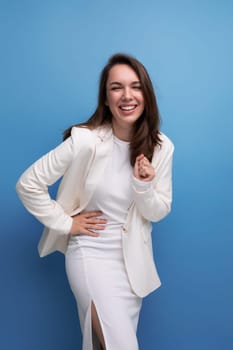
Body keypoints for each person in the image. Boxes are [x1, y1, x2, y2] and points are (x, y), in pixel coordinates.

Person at [16, 53, 174, 350]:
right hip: (90, 255)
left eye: (135, 86)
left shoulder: (162, 147)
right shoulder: (85, 141)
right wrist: (65, 223)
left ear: (146, 94)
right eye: (116, 87)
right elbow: (28, 184)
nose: (127, 95)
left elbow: (158, 210)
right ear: (105, 98)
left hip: (131, 267)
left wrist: (144, 186)